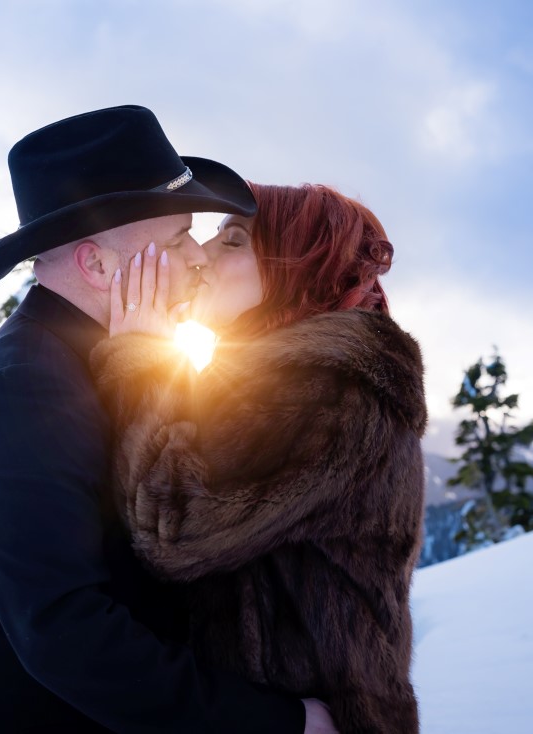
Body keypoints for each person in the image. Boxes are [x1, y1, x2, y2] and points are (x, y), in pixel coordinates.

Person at [0, 106, 336, 732]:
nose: (198, 257)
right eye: (175, 239)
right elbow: (71, 637)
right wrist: (278, 725)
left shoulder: (112, 365)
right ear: (97, 266)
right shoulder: (17, 390)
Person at [90, 183, 427, 733]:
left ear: (296, 267)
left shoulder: (326, 389)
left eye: (234, 240)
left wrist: (137, 367)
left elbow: (173, 527)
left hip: (319, 718)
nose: (200, 254)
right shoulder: (276, 381)